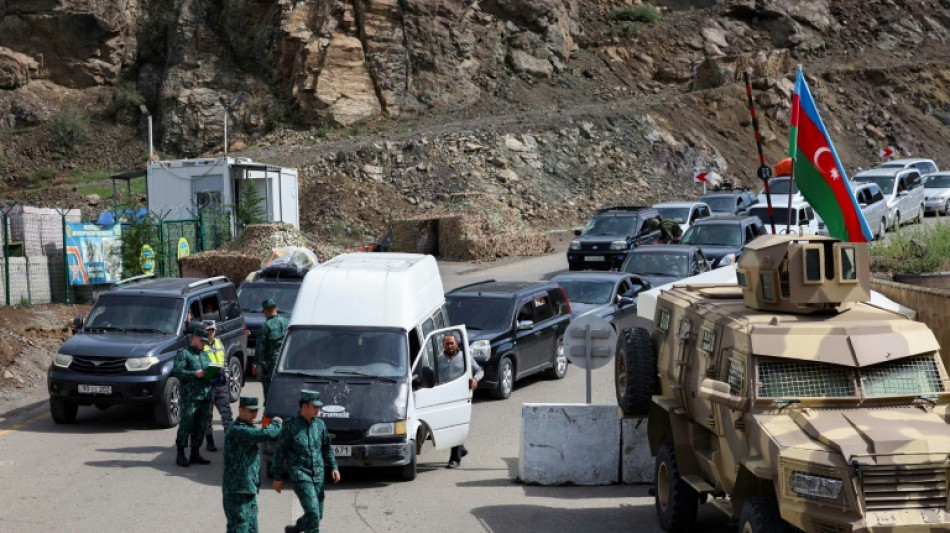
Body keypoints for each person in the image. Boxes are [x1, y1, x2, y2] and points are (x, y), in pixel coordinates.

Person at [272, 390, 341, 533]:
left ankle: (296, 529)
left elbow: (327, 448)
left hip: (318, 475)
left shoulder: (320, 425)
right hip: (300, 474)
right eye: (314, 407)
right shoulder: (290, 426)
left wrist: (334, 467)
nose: (318, 410)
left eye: (319, 407)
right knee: (313, 514)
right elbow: (280, 452)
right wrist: (277, 477)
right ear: (304, 407)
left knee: (317, 515)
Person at [222, 396, 282, 533]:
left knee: (251, 528)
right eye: (251, 411)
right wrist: (277, 423)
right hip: (237, 491)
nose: (254, 414)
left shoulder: (247, 426)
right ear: (240, 410)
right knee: (239, 527)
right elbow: (264, 434)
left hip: (247, 488)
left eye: (256, 411)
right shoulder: (238, 430)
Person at [437, 333, 483, 469]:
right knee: (448, 426)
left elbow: (480, 371)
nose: (450, 346)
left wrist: (475, 379)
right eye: (447, 343)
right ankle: (460, 448)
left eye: (452, 343)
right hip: (444, 398)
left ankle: (455, 458)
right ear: (443, 345)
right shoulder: (438, 359)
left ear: (457, 344)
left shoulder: (465, 357)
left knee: (455, 426)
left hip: (461, 397)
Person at [173, 326, 213, 467]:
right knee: (187, 424)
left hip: (204, 395)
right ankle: (180, 453)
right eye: (202, 341)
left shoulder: (204, 354)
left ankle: (195, 453)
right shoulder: (184, 354)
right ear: (195, 338)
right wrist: (194, 374)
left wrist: (215, 373)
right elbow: (178, 371)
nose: (203, 344)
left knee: (200, 425)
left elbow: (208, 370)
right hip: (190, 396)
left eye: (205, 342)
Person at [202, 320, 233, 452]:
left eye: (212, 330)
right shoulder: (200, 346)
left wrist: (227, 375)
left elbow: (224, 361)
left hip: (220, 385)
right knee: (207, 416)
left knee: (226, 414)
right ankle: (209, 441)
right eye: (208, 330)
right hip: (207, 386)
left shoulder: (219, 343)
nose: (210, 333)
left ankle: (230, 442)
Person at [256, 298, 288, 404]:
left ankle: (269, 412)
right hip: (285, 361)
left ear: (267, 310)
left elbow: (260, 347)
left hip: (271, 362)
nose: (264, 314)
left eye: (264, 311)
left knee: (269, 387)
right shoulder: (286, 322)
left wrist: (256, 363)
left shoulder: (266, 326)